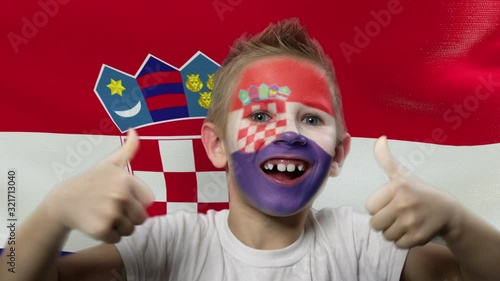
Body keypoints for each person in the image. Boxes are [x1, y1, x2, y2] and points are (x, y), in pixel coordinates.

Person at [1, 18, 500, 281]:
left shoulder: (363, 246)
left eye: (311, 119)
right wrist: (56, 211)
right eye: (260, 115)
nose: (289, 133)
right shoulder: (171, 244)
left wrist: (458, 224)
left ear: (340, 154)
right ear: (216, 146)